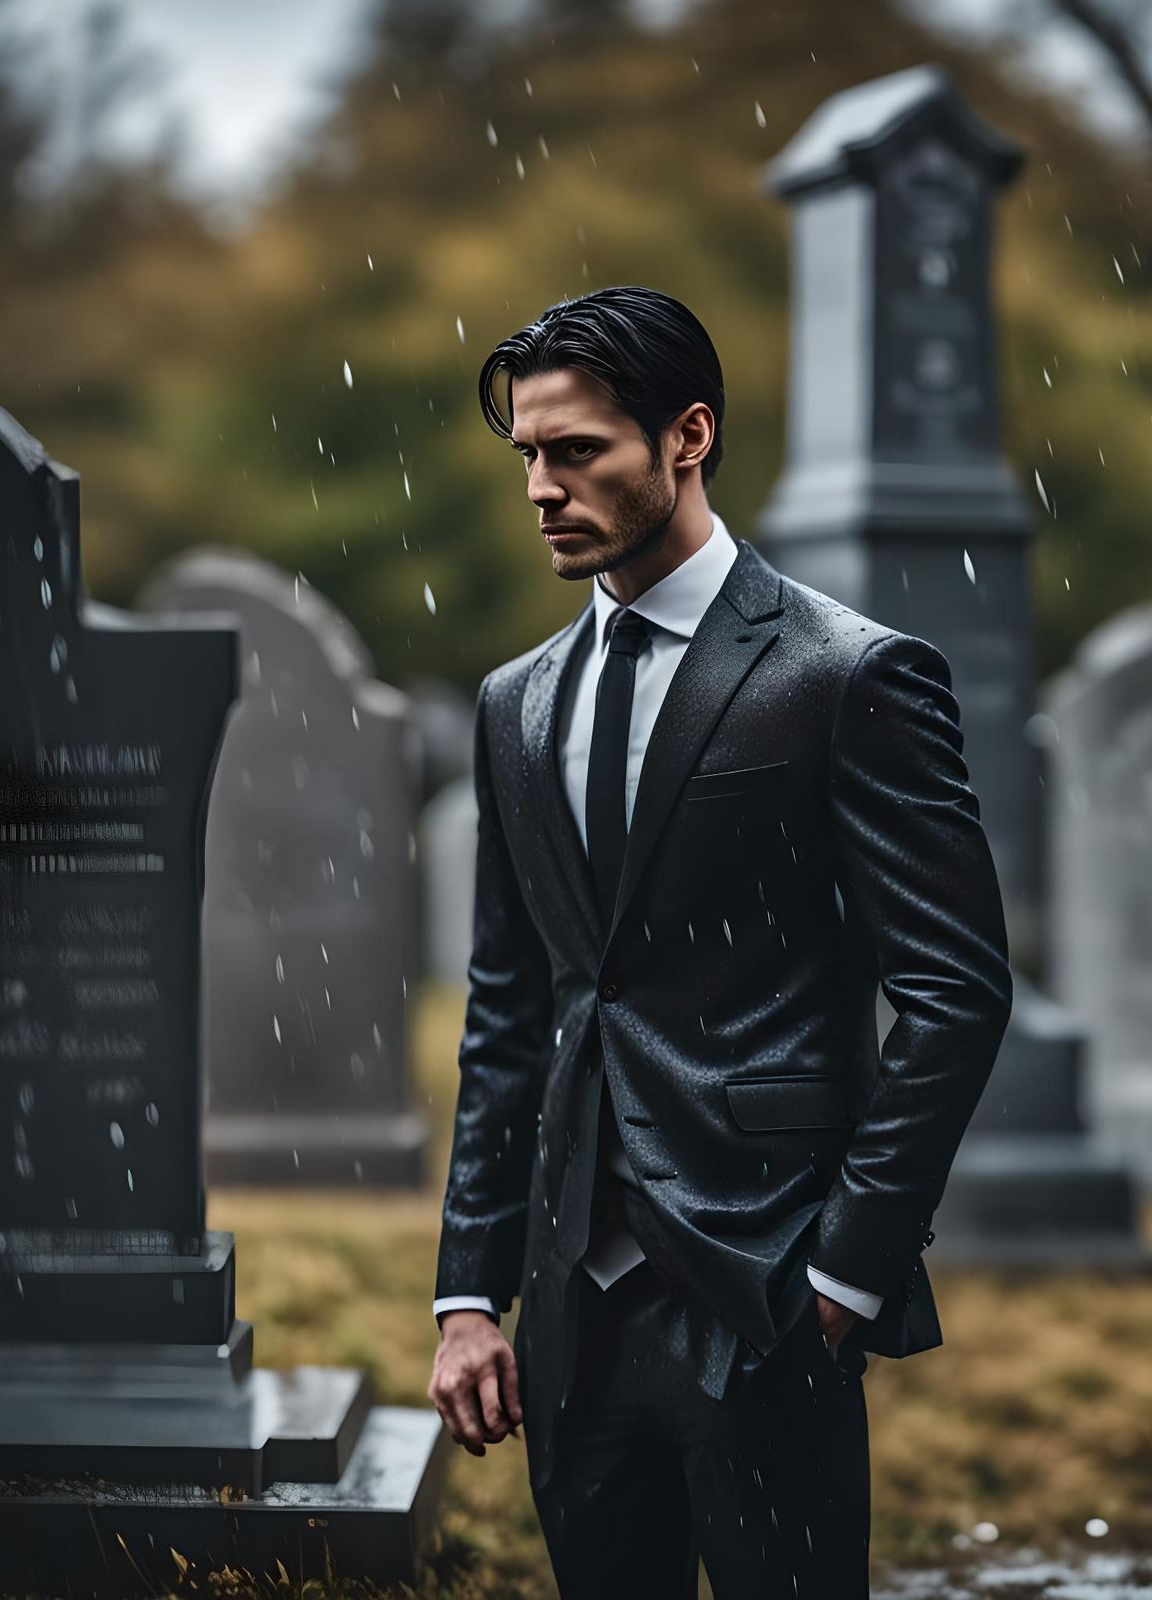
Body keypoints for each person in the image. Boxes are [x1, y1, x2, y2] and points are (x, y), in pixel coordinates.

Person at [428, 285, 1012, 1598]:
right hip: (572, 1308)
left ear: (688, 438)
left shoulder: (847, 675)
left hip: (767, 1289)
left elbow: (957, 990)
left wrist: (846, 1276)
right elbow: (511, 1008)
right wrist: (470, 1294)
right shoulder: (513, 705)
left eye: (577, 452)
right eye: (526, 453)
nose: (540, 487)